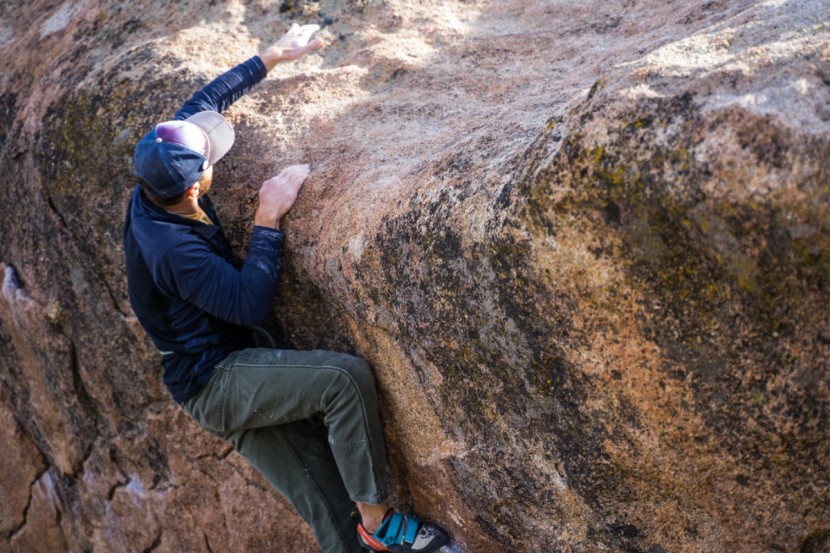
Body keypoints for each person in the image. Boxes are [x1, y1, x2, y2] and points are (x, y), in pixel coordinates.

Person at [123, 24, 449, 553]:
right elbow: (249, 301)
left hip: (219, 370)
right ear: (194, 186)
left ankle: (361, 531)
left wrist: (274, 56)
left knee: (333, 522)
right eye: (210, 162)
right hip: (217, 381)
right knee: (342, 380)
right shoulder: (172, 250)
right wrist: (267, 217)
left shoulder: (157, 169)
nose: (214, 158)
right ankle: (381, 523)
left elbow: (205, 103)